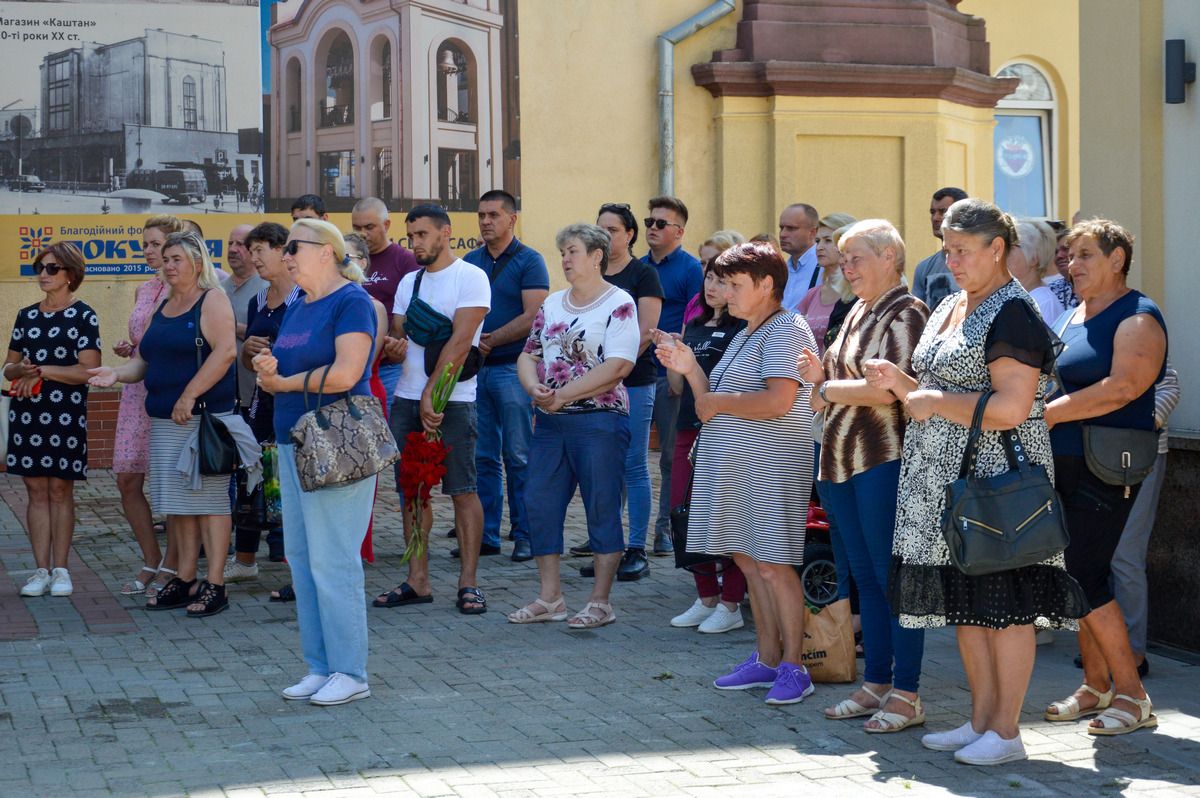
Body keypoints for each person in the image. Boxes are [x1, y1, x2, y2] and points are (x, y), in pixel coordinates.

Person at [875, 199, 1087, 765]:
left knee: (1007, 608)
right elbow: (937, 384)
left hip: (995, 483)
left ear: (998, 249)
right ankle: (980, 722)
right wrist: (903, 383)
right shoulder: (950, 304)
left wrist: (934, 400)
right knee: (966, 605)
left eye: (962, 250)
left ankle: (1007, 732)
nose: (952, 260)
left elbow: (1014, 407)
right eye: (947, 249)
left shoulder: (1012, 312)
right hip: (941, 479)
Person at [656, 242, 819, 705]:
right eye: (723, 283)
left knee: (773, 565)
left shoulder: (787, 328)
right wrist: (688, 368)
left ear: (767, 284)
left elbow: (778, 401)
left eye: (735, 284)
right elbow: (710, 400)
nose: (725, 293)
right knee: (749, 562)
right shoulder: (748, 331)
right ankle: (767, 659)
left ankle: (795, 667)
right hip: (734, 466)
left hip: (770, 467)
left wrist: (717, 401)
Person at [798, 220, 930, 732]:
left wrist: (829, 388)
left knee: (893, 579)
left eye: (857, 258)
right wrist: (822, 383)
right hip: (837, 460)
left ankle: (908, 693)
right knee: (866, 580)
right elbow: (826, 387)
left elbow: (887, 391)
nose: (846, 267)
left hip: (883, 459)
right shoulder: (856, 310)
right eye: (844, 258)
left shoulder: (908, 311)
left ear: (890, 258)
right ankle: (877, 681)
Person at [1043, 219, 1167, 736]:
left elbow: (1123, 388)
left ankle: (1133, 694)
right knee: (1074, 573)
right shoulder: (1074, 314)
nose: (1073, 265)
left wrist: (1047, 414)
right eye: (1070, 255)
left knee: (1086, 572)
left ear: (1117, 260)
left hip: (1108, 465)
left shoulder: (1138, 317)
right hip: (1064, 459)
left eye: (1086, 255)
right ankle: (1096, 685)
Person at [251, 219, 380, 706]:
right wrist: (269, 370)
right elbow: (293, 365)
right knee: (302, 559)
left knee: (334, 560)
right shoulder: (301, 304)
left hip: (335, 444)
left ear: (325, 251)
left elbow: (347, 372)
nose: (285, 256)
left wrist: (283, 383)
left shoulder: (351, 302)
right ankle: (320, 666)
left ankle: (351, 671)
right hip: (293, 440)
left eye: (293, 247)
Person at [89, 232, 244, 618]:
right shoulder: (164, 303)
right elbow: (145, 361)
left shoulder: (213, 299)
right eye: (167, 258)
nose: (170, 265)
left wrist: (189, 395)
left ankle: (216, 585)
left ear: (197, 262)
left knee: (208, 503)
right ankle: (184, 578)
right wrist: (117, 374)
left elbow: (225, 353)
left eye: (177, 259)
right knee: (179, 505)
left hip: (204, 419)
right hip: (165, 419)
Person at [507, 223, 638, 628]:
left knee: (601, 506)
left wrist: (563, 394)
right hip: (550, 422)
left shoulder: (619, 302)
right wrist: (534, 388)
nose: (564, 259)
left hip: (599, 421)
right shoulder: (552, 304)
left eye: (573, 251)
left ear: (597, 256)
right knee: (540, 504)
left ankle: (600, 601)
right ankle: (551, 598)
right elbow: (528, 355)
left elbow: (618, 366)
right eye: (562, 251)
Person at [374, 205, 491, 614]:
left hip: (453, 400)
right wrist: (392, 345)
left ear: (446, 233)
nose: (416, 243)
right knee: (412, 491)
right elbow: (399, 331)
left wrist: (432, 393)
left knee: (462, 490)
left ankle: (469, 583)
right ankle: (417, 579)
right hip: (406, 398)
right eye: (411, 237)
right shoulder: (410, 281)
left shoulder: (471, 277)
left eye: (423, 234)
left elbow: (462, 341)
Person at [10, 243, 101, 598]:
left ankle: (61, 568)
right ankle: (40, 570)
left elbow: (88, 371)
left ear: (70, 275)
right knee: (34, 490)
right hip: (28, 412)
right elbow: (8, 367)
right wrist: (20, 369)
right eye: (40, 268)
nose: (43, 275)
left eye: (51, 269)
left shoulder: (84, 316)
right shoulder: (26, 316)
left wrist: (43, 371)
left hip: (64, 413)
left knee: (61, 490)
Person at [463, 190, 549, 562]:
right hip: (474, 374)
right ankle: (486, 536)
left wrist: (491, 340)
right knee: (481, 457)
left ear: (511, 218)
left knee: (519, 455)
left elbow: (534, 316)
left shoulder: (530, 261)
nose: (485, 222)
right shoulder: (470, 261)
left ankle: (526, 535)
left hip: (514, 369)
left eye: (494, 215)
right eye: (481, 215)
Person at [667, 258, 748, 633]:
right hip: (688, 426)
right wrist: (671, 355)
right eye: (709, 279)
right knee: (683, 512)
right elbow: (678, 386)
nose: (713, 287)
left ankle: (731, 603)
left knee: (727, 515)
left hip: (724, 430)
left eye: (722, 280)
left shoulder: (744, 329)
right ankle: (706, 597)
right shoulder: (696, 325)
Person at [111, 214, 184, 597]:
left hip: (169, 391)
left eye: (156, 244)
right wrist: (129, 347)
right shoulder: (143, 289)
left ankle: (173, 564)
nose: (149, 251)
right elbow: (143, 338)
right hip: (134, 392)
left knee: (172, 483)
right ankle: (150, 558)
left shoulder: (190, 290)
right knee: (127, 478)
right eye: (146, 244)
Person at [224, 222, 300, 585]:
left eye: (259, 251)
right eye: (250, 251)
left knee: (292, 483)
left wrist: (275, 354)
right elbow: (245, 360)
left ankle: (296, 567)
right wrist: (249, 352)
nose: (253, 259)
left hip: (296, 400)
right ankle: (245, 559)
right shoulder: (257, 299)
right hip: (260, 402)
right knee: (250, 477)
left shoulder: (304, 298)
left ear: (284, 251)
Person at [591, 202, 662, 580]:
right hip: (595, 385)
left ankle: (637, 548)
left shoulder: (643, 275)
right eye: (599, 228)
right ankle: (608, 547)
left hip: (632, 382)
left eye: (613, 230)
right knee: (605, 467)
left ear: (630, 234)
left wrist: (613, 371)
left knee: (633, 464)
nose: (605, 236)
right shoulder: (593, 274)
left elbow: (646, 333)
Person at [1109, 363, 1179, 678]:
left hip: (1138, 454)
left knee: (1126, 555)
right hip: (1090, 455)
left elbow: (1169, 386)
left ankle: (1133, 653)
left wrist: (1144, 423)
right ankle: (1105, 650)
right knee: (1097, 554)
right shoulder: (1073, 321)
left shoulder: (1139, 317)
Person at [642, 196, 703, 556]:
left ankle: (665, 529)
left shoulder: (691, 270)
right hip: (635, 371)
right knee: (628, 458)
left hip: (669, 375)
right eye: (649, 221)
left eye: (661, 223)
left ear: (679, 232)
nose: (652, 227)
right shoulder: (639, 267)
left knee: (668, 456)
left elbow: (693, 322)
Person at [351, 197, 420, 399]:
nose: (363, 234)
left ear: (386, 225)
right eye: (357, 227)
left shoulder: (406, 261)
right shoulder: (346, 263)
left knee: (387, 428)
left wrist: (394, 347)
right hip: (350, 364)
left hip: (390, 368)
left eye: (369, 227)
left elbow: (413, 314)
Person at [221, 224, 267, 410]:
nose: (232, 249)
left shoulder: (268, 289)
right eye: (230, 243)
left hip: (255, 394)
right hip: (220, 396)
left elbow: (270, 338)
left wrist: (233, 327)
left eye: (240, 244)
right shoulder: (216, 289)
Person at [797, 213, 858, 343]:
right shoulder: (811, 295)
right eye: (818, 241)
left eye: (828, 240)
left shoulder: (860, 293)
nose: (819, 247)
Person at [912, 187, 969, 312]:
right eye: (933, 212)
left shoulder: (977, 262)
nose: (935, 218)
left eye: (943, 212)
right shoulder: (924, 267)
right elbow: (917, 316)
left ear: (964, 215)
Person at [681, 231, 746, 326]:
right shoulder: (695, 301)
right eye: (703, 263)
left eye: (714, 261)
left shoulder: (741, 311)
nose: (705, 269)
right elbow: (686, 337)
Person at [1008, 220, 1066, 326]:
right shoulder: (1022, 298)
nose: (1003, 253)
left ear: (1034, 258)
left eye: (1011, 247)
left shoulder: (1044, 303)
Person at [778, 203, 822, 312]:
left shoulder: (823, 267)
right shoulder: (781, 270)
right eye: (781, 228)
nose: (782, 234)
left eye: (791, 228)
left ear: (812, 233)